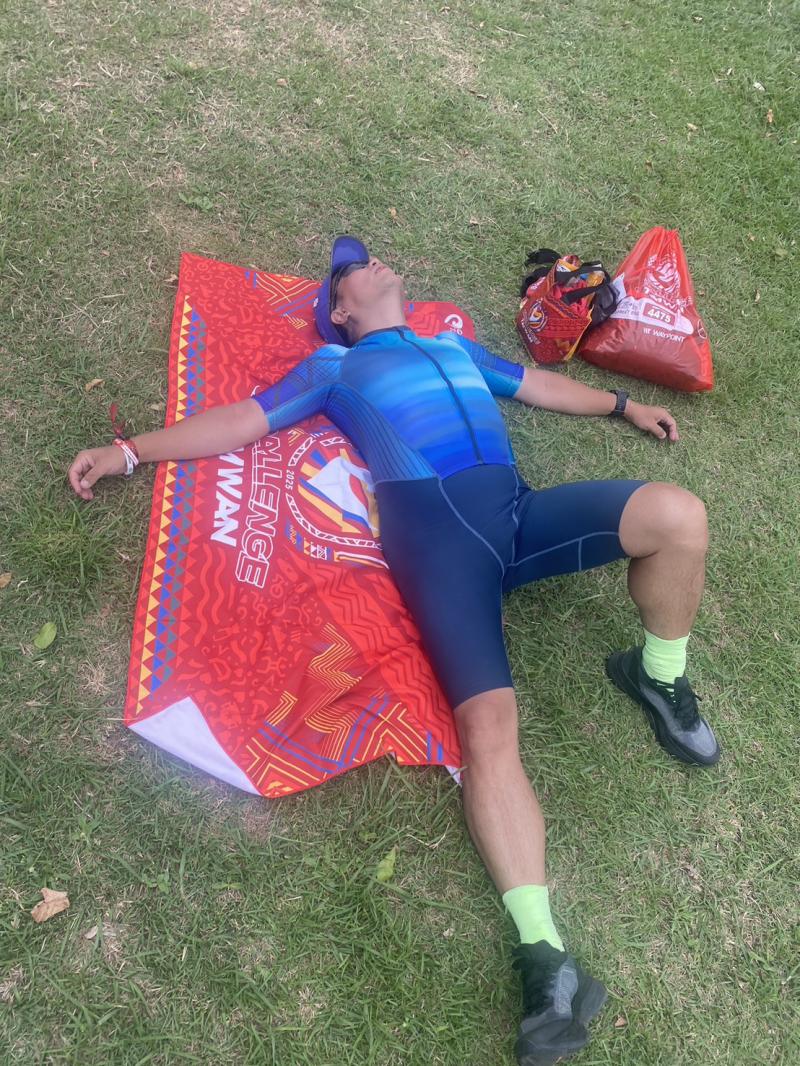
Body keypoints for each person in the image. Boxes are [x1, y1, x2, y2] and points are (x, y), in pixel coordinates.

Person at [68, 235, 719, 1065]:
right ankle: (546, 959)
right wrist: (130, 451)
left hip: (517, 518)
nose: (369, 263)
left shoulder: (452, 345)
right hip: (441, 550)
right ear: (340, 311)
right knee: (488, 732)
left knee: (679, 517)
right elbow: (241, 421)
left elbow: (536, 386)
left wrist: (622, 406)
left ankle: (657, 676)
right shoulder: (336, 368)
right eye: (351, 271)